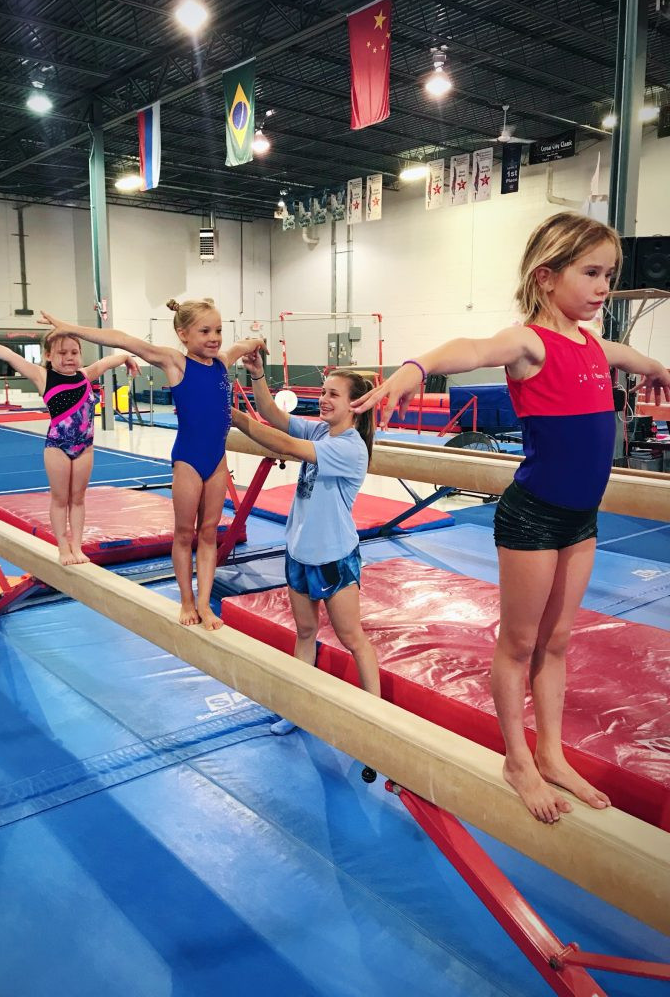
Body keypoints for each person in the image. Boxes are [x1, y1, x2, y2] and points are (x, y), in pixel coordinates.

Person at [351, 212, 670, 824]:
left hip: (581, 521)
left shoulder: (593, 345)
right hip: (532, 520)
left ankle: (551, 753)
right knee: (520, 642)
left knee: (558, 642)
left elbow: (629, 355)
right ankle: (517, 758)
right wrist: (414, 369)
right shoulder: (530, 344)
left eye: (610, 274)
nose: (605, 286)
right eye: (591, 273)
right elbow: (467, 349)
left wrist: (656, 369)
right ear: (547, 278)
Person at [38, 301, 266, 630]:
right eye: (204, 331)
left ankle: (204, 603)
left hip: (217, 462)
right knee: (185, 533)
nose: (214, 338)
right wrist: (71, 328)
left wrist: (258, 345)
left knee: (208, 534)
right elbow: (123, 340)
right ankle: (187, 600)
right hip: (188, 460)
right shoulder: (175, 362)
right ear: (182, 334)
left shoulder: (222, 361)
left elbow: (245, 344)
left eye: (218, 330)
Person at [232, 352, 381, 734]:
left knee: (352, 639)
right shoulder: (319, 431)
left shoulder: (350, 448)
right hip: (298, 552)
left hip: (333, 556)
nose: (324, 399)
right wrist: (258, 375)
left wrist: (230, 416)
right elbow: (273, 414)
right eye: (323, 391)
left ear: (356, 406)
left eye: (334, 394)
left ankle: (379, 721)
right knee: (304, 633)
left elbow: (285, 445)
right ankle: (297, 710)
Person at [0, 333, 140, 565]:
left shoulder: (84, 375)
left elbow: (105, 362)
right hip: (57, 447)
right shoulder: (43, 376)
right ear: (48, 355)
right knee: (60, 499)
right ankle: (63, 547)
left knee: (79, 499)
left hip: (85, 447)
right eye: (62, 353)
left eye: (74, 352)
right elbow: (10, 356)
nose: (69, 358)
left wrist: (126, 358)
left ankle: (77, 546)